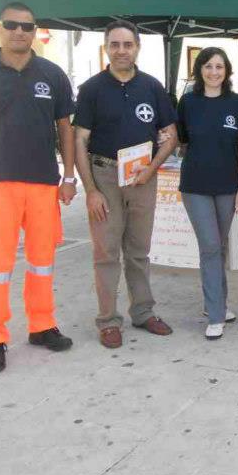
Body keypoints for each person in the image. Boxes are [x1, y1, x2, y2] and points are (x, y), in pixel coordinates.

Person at [0, 2, 76, 373]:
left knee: (42, 262)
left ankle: (41, 325)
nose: (19, 32)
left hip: (42, 185)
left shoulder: (52, 74)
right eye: (12, 25)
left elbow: (65, 129)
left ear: (35, 30)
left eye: (27, 26)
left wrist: (68, 177)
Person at [73, 19, 179, 349]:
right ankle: (108, 320)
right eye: (115, 45)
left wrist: (151, 170)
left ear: (137, 48)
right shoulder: (91, 89)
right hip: (104, 176)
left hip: (142, 179)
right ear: (106, 47)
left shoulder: (152, 87)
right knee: (106, 251)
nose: (122, 50)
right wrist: (90, 190)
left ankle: (143, 312)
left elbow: (171, 136)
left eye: (127, 45)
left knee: (138, 251)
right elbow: (79, 141)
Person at [177, 47, 238, 340]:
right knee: (209, 246)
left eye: (219, 66)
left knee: (218, 247)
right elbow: (179, 139)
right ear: (199, 70)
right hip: (195, 185)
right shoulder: (188, 102)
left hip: (228, 185)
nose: (214, 72)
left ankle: (215, 303)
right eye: (208, 66)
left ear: (227, 71)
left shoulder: (237, 103)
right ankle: (216, 315)